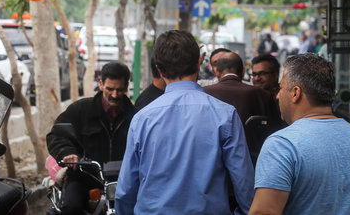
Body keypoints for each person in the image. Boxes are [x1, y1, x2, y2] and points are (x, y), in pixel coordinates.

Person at [115, 31, 254, 215]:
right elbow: (244, 183)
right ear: (199, 63)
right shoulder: (225, 115)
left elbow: (126, 190)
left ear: (160, 69)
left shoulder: (142, 119)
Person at [249, 54, 350, 215]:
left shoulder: (282, 144)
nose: (278, 95)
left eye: (281, 87)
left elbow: (263, 212)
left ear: (295, 93)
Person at [46, 61, 135, 215]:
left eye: (119, 90)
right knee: (71, 208)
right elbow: (56, 135)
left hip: (124, 181)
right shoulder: (80, 110)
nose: (114, 95)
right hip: (85, 178)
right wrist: (68, 152)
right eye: (110, 89)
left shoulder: (137, 116)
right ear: (100, 85)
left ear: (127, 87)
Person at [204, 52, 279, 124]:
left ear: (217, 71)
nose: (256, 78)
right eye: (254, 74)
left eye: (262, 73)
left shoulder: (204, 93)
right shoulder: (261, 95)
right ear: (243, 72)